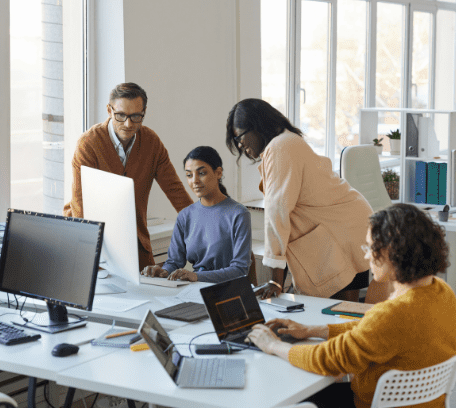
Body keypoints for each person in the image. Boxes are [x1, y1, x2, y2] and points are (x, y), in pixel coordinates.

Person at [247, 204, 456, 408]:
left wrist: (273, 345)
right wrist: (312, 330)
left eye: (370, 247)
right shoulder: (441, 291)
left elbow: (328, 359)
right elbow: (373, 330)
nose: (366, 255)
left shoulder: (393, 315)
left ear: (391, 253)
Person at [226, 98, 386, 301]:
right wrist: (278, 279)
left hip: (343, 229)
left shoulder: (280, 147)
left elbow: (277, 213)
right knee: (339, 311)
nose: (240, 144)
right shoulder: (286, 142)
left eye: (239, 136)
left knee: (338, 312)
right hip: (347, 225)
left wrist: (275, 281)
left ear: (255, 126)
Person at [64, 83, 192, 270]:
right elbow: (79, 203)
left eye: (136, 117)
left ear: (144, 113)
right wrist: (90, 257)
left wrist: (201, 227)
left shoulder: (151, 142)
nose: (128, 124)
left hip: (134, 239)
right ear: (109, 110)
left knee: (148, 290)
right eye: (121, 115)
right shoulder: (88, 144)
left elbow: (175, 190)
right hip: (88, 238)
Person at [141, 146, 252, 283]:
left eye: (202, 173)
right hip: (195, 289)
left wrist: (197, 276)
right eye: (189, 175)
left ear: (218, 173)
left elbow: (240, 269)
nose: (194, 181)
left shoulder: (239, 214)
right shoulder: (185, 216)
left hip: (227, 290)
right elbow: (174, 262)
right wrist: (163, 271)